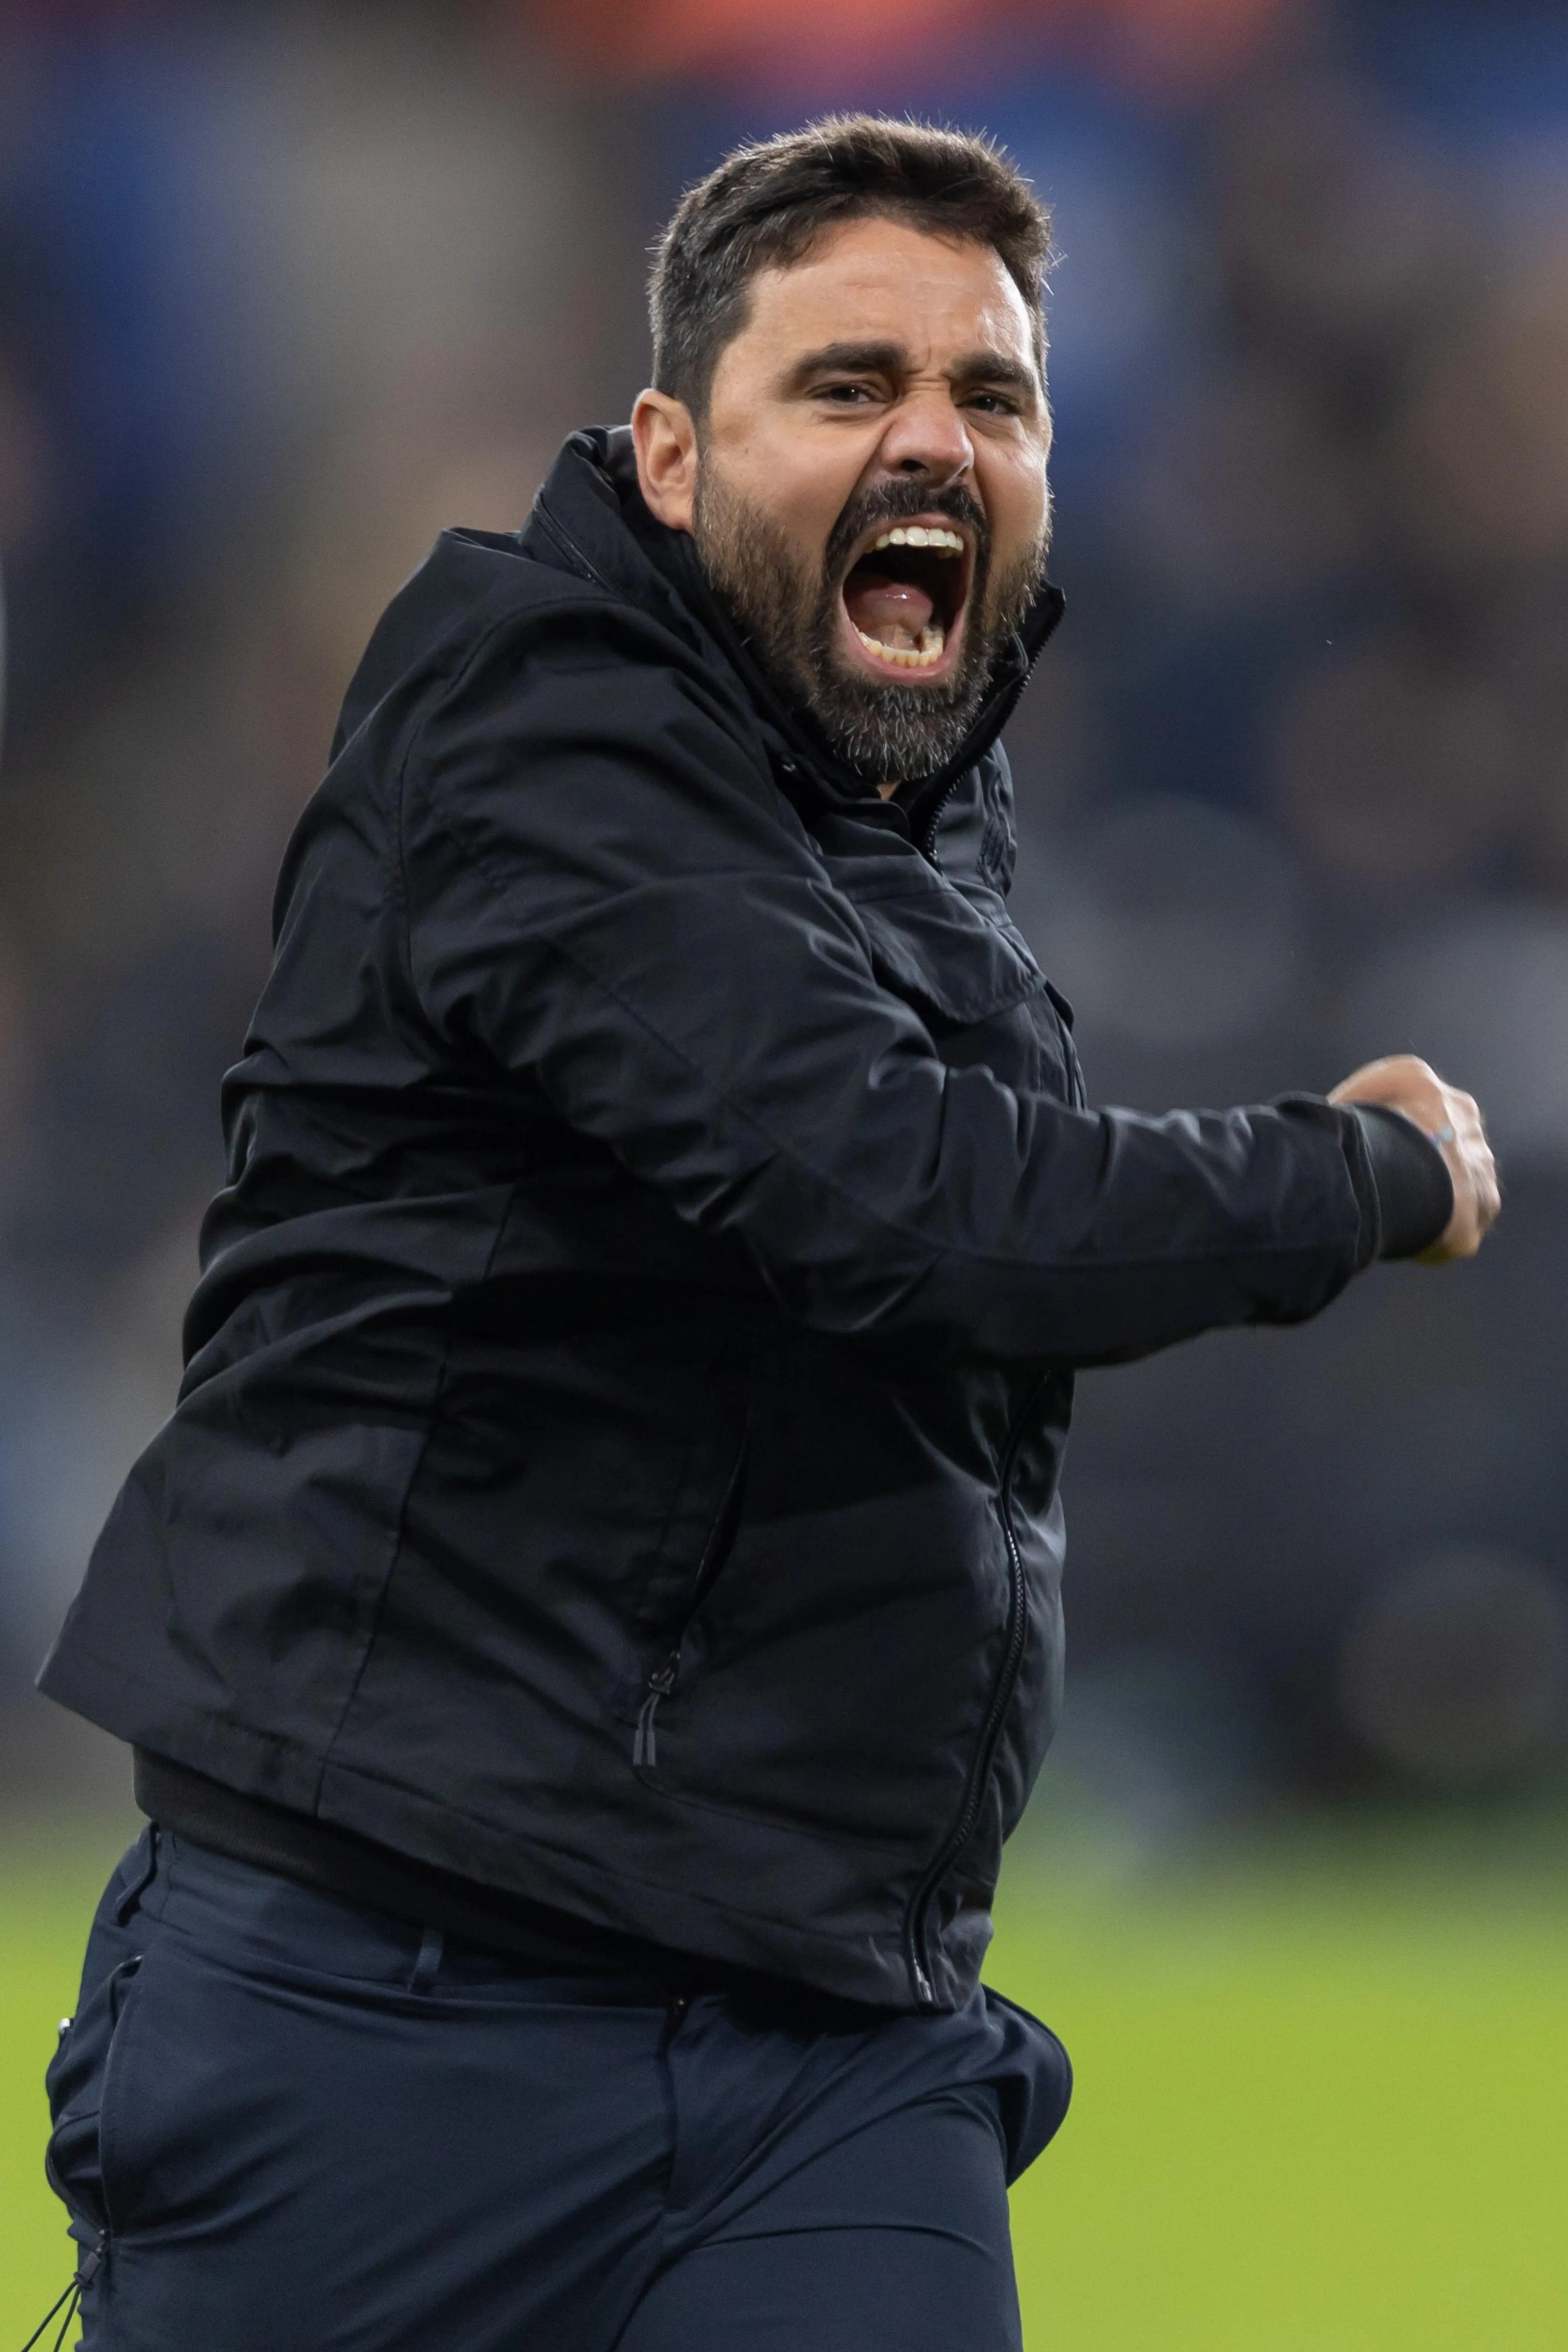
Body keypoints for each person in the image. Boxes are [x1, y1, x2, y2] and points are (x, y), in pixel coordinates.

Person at [35, 116, 1498, 2352]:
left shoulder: (896, 787)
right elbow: (893, 1203)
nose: (933, 433)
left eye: (990, 396)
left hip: (825, 2036)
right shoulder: (536, 721)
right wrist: (1352, 1174)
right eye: (845, 385)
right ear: (666, 453)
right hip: (390, 2006)